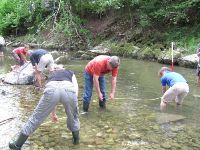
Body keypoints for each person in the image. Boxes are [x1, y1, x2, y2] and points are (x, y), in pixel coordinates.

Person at [9, 65, 80, 150]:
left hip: (52, 89)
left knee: (36, 118)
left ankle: (17, 145)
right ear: (64, 68)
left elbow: (54, 96)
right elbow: (76, 88)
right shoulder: (70, 72)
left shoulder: (52, 75)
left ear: (55, 70)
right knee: (74, 117)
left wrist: (53, 114)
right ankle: (76, 141)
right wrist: (73, 105)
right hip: (69, 89)